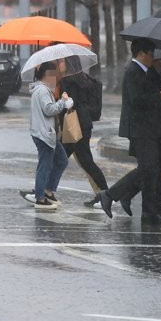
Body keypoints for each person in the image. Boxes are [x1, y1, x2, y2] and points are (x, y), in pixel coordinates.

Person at [98, 38, 161, 225]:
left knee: (153, 169)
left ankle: (150, 210)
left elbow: (160, 92)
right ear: (141, 53)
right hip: (140, 129)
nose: (153, 58)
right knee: (148, 168)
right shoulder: (132, 71)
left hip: (151, 128)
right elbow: (138, 101)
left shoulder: (147, 72)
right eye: (151, 54)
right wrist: (159, 95)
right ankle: (109, 195)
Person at [21, 61, 73, 210]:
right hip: (44, 134)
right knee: (45, 165)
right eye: (54, 75)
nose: (56, 78)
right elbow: (49, 110)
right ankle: (40, 197)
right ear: (46, 75)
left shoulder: (43, 90)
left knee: (62, 160)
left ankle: (48, 191)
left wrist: (61, 102)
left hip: (48, 133)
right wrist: (63, 102)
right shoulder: (42, 90)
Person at [59, 62, 108, 207]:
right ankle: (42, 191)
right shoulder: (84, 79)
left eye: (61, 61)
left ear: (68, 63)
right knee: (60, 158)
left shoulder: (69, 81)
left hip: (74, 126)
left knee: (84, 161)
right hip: (83, 124)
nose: (59, 64)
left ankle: (106, 194)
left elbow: (68, 105)